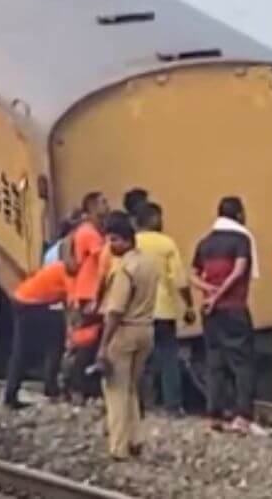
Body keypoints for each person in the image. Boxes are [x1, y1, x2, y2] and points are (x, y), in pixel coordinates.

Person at [190, 196, 261, 434]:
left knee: (215, 361)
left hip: (211, 312)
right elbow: (239, 270)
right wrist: (219, 294)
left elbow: (192, 275)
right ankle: (243, 415)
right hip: (234, 308)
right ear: (239, 214)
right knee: (242, 362)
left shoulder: (205, 242)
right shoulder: (241, 240)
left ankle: (214, 414)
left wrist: (208, 291)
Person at [94, 211, 159, 460]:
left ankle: (118, 446)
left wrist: (103, 345)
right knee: (132, 387)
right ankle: (136, 438)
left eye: (113, 240)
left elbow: (115, 311)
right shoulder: (149, 263)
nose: (110, 245)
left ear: (125, 240)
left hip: (123, 332)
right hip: (146, 329)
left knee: (116, 390)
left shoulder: (124, 270)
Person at [135, 202, 193, 415]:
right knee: (169, 356)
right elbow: (179, 279)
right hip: (164, 309)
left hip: (137, 311)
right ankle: (173, 405)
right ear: (154, 219)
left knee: (138, 358)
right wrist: (189, 305)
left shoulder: (131, 243)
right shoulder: (166, 244)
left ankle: (139, 403)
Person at [9, 245, 78, 405]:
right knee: (42, 343)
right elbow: (73, 306)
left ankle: (18, 392)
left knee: (27, 348)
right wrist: (72, 332)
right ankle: (49, 387)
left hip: (26, 300)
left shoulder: (60, 267)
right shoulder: (68, 274)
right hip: (29, 303)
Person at [66, 193, 111, 401]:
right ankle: (77, 385)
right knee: (88, 340)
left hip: (92, 291)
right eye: (103, 202)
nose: (107, 206)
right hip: (89, 292)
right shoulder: (89, 233)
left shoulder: (92, 231)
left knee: (95, 339)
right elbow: (103, 257)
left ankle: (85, 385)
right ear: (92, 207)